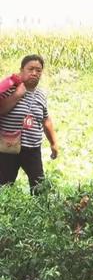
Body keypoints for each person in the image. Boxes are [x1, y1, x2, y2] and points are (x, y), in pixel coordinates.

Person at [0, 55, 59, 193]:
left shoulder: (40, 95)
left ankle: (38, 213)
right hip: (8, 148)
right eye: (30, 69)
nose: (34, 73)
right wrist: (17, 95)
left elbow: (46, 120)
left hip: (32, 149)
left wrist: (54, 143)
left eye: (38, 70)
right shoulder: (9, 88)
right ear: (21, 70)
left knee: (39, 186)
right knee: (4, 187)